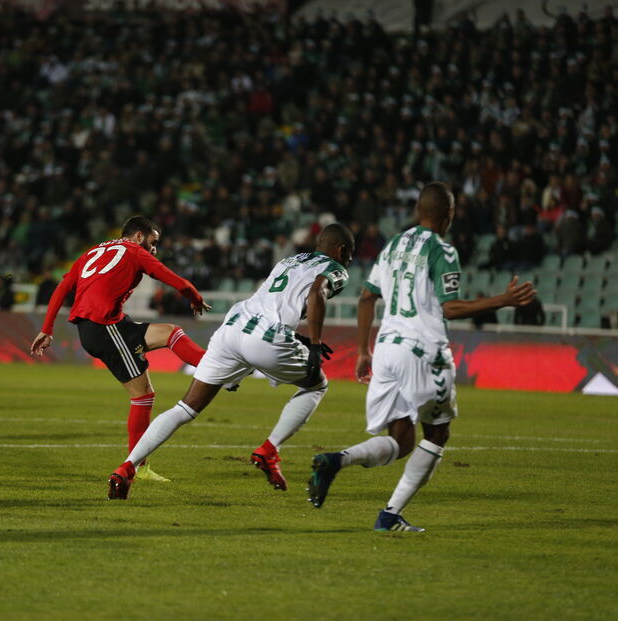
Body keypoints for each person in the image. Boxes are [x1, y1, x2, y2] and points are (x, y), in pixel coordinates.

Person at [308, 182, 536, 532]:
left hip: (387, 349)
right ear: (450, 214)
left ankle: (337, 461)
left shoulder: (393, 246)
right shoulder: (442, 251)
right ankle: (389, 515)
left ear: (417, 212)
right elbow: (451, 308)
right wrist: (500, 301)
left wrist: (364, 351)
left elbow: (367, 298)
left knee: (401, 440)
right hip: (423, 350)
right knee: (437, 434)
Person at [107, 223, 355, 500]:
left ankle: (126, 468)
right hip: (266, 338)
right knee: (316, 386)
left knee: (185, 407)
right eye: (350, 253)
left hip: (232, 329)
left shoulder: (290, 260)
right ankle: (269, 450)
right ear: (341, 250)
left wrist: (299, 338)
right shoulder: (337, 268)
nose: (351, 259)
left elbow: (275, 302)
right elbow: (316, 293)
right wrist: (317, 344)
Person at [31, 216, 210, 482]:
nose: (154, 249)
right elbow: (176, 281)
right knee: (143, 396)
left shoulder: (92, 251)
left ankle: (216, 366)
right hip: (106, 328)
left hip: (106, 325)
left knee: (171, 332)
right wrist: (195, 298)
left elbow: (62, 288)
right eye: (153, 242)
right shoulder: (135, 251)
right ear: (139, 236)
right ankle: (138, 467)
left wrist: (47, 328)